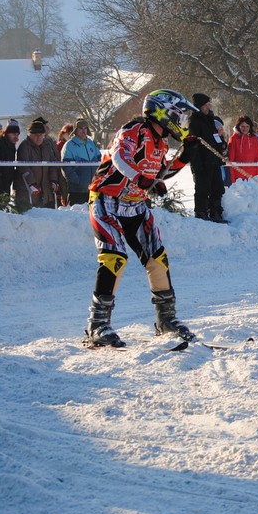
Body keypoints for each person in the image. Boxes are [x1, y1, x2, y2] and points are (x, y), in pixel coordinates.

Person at [84, 89, 200, 348]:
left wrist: (183, 157)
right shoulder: (134, 129)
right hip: (107, 200)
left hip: (135, 205)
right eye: (178, 115)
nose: (180, 122)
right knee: (114, 257)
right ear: (163, 112)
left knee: (157, 258)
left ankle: (166, 320)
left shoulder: (160, 142)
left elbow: (159, 174)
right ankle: (97, 324)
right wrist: (143, 179)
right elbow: (120, 158)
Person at [187, 93, 227, 222]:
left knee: (218, 188)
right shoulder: (194, 121)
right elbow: (192, 144)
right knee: (202, 190)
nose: (208, 107)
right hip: (203, 162)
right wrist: (197, 165)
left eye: (209, 104)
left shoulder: (210, 120)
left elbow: (215, 139)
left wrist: (222, 143)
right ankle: (201, 214)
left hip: (214, 161)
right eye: (206, 105)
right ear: (199, 106)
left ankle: (215, 212)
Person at [13, 119, 60, 211]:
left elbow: (52, 164)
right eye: (35, 135)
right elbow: (23, 166)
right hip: (27, 191)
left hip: (45, 190)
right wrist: (31, 183)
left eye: (41, 135)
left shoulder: (47, 145)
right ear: (30, 134)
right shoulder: (24, 147)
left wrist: (54, 180)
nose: (39, 137)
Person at [61, 118, 101, 206]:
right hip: (77, 190)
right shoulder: (69, 145)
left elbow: (99, 160)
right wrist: (77, 181)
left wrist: (98, 177)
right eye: (80, 128)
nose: (83, 131)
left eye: (85, 128)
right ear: (75, 130)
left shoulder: (90, 143)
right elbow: (66, 167)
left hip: (93, 188)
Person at [228, 115, 258, 183]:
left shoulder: (254, 139)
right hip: (238, 178)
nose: (245, 129)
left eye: (247, 126)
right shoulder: (233, 139)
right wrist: (232, 180)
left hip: (252, 177)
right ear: (238, 126)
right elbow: (231, 160)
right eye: (243, 126)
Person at [55, 123, 75, 206]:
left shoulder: (72, 145)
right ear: (63, 134)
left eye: (72, 134)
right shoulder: (60, 145)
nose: (70, 136)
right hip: (61, 172)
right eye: (68, 134)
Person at [0, 120, 21, 196]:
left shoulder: (11, 145)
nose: (16, 136)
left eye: (17, 134)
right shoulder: (1, 144)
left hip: (6, 181)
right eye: (13, 133)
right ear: (7, 133)